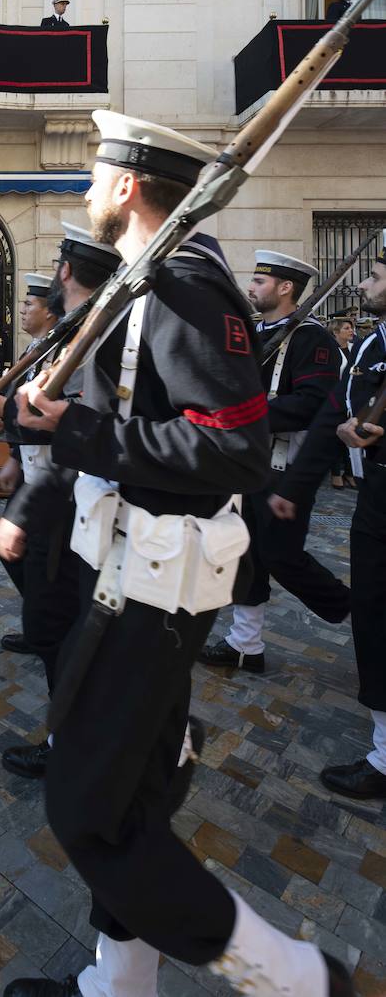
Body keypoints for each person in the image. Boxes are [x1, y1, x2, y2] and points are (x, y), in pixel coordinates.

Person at [2, 110, 353, 997]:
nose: (85, 189)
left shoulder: (183, 287)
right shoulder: (143, 279)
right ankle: (119, 984)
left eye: (94, 173)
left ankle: (300, 980)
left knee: (88, 811)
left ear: (126, 186)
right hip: (124, 571)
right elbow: (139, 422)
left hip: (151, 587)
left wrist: (74, 428)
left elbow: (230, 450)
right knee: (133, 796)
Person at [0, 238, 121, 780]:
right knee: (55, 621)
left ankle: (72, 742)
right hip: (62, 493)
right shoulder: (77, 334)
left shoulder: (94, 338)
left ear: (64, 274)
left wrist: (25, 503)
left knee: (60, 624)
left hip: (70, 498)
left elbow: (72, 424)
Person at [269, 246, 386, 805]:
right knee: (375, 615)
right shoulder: (370, 345)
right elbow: (332, 415)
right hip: (374, 498)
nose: (365, 284)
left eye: (377, 275)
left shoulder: (316, 338)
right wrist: (295, 488)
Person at [200, 250, 348, 675]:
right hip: (242, 464)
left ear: (286, 288)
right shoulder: (252, 332)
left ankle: (360, 612)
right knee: (246, 556)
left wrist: (243, 416)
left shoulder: (310, 338)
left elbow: (313, 404)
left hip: (283, 468)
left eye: (261, 282)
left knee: (282, 557)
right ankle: (246, 644)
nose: (251, 287)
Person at [328, 317, 357, 489]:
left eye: (351, 328)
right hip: (336, 398)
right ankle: (335, 473)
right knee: (336, 437)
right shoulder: (331, 350)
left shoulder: (355, 348)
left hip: (352, 399)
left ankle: (350, 472)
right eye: (347, 328)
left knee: (351, 435)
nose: (351, 330)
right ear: (336, 332)